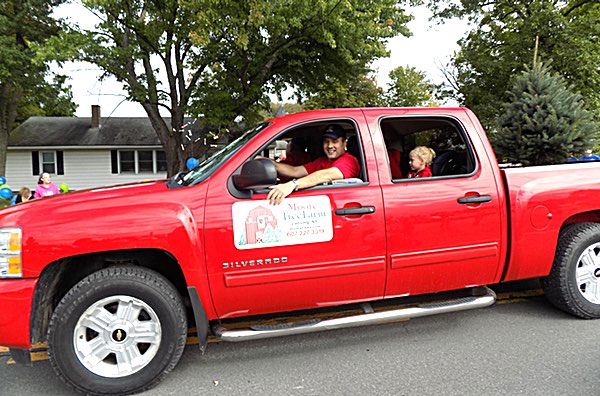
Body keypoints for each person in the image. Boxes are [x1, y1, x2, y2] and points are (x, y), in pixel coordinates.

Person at [265, 124, 360, 205]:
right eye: (326, 142)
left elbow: (327, 175)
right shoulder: (322, 161)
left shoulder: (349, 160)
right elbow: (295, 171)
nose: (330, 146)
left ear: (344, 143)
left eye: (335, 141)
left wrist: (292, 185)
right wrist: (269, 162)